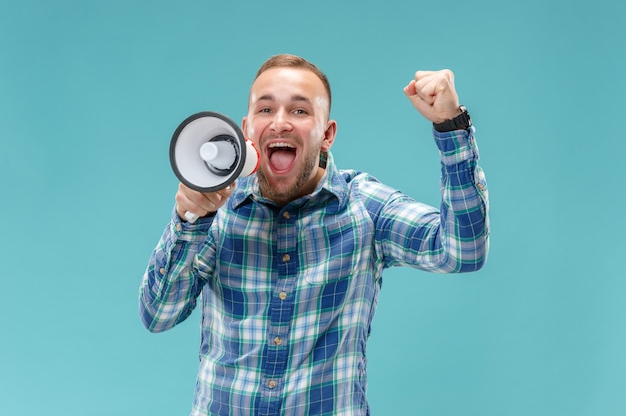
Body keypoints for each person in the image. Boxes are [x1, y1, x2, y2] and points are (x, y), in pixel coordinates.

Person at [139, 54, 489, 416]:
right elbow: (158, 314)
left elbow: (462, 251)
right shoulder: (216, 209)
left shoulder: (364, 206)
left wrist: (451, 127)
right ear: (246, 130)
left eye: (300, 111)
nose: (279, 123)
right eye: (265, 110)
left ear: (327, 134)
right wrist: (188, 220)